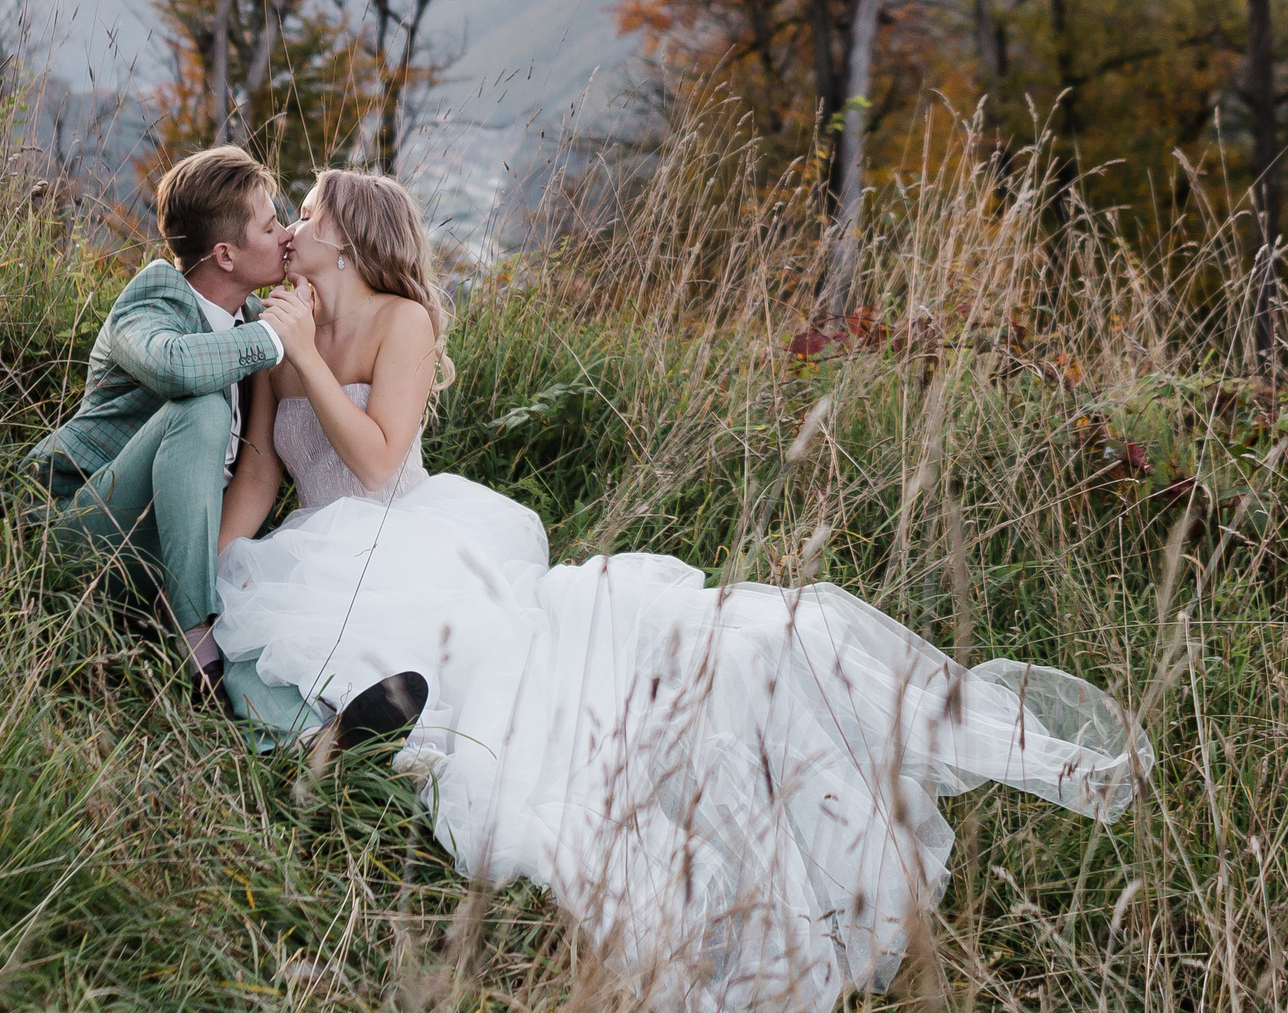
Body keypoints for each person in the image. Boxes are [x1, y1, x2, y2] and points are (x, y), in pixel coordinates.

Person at [213, 168, 1154, 1008]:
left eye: (306, 212)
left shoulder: (399, 321)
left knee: (577, 681)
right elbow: (259, 465)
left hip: (412, 533)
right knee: (326, 650)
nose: (292, 225)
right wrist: (218, 566)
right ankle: (344, 754)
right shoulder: (279, 328)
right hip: (318, 547)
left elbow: (377, 466)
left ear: (353, 232)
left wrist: (306, 357)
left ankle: (401, 749)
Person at [29, 145, 424, 746]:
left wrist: (227, 566)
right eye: (271, 225)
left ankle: (300, 743)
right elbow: (175, 368)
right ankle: (194, 632)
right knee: (202, 401)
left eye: (295, 219)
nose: (288, 231)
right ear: (226, 254)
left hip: (181, 546)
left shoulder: (257, 329)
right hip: (90, 533)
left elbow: (260, 470)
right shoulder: (160, 296)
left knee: (252, 600)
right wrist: (276, 339)